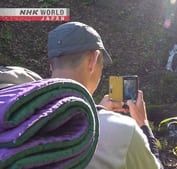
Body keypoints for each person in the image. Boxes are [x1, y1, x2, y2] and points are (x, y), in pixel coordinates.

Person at [47, 22, 163, 169]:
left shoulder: (22, 114)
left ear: (51, 65)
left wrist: (98, 110)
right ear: (92, 60)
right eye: (101, 65)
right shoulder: (124, 131)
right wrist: (143, 124)